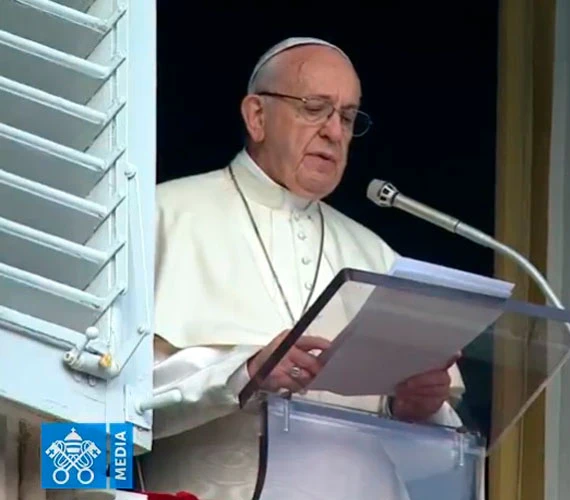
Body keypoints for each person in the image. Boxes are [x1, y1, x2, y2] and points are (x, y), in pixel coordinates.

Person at [139, 37, 465, 499]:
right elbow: (106, 397)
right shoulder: (163, 216)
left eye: (348, 117)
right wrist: (243, 372)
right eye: (315, 108)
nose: (334, 131)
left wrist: (418, 409)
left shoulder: (375, 254)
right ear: (256, 116)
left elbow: (437, 461)